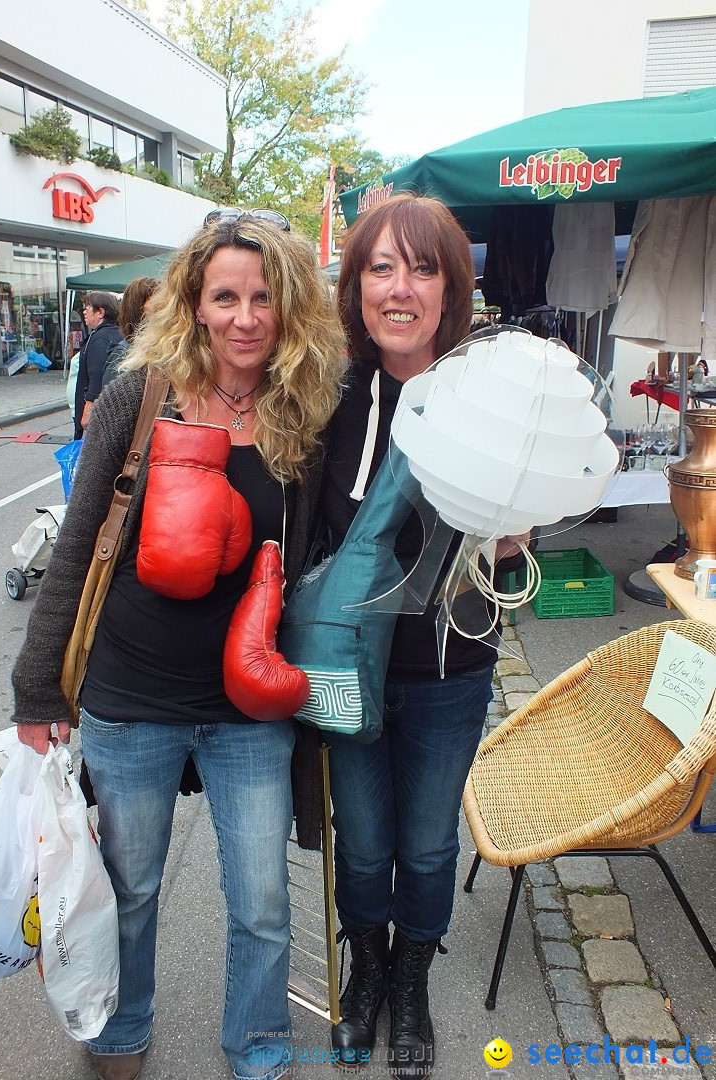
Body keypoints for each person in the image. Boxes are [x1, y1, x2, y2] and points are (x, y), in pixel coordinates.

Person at [11, 209, 347, 1080]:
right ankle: (121, 1034)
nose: (244, 316)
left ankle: (260, 1044)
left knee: (264, 901)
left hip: (247, 704)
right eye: (225, 295)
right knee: (130, 893)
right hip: (133, 695)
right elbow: (79, 543)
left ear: (289, 306)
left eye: (263, 297)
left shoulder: (302, 410)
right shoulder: (140, 396)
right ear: (195, 302)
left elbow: (324, 547)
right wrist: (37, 689)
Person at [323, 194, 525, 1078]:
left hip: (450, 669)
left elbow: (514, 583)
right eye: (381, 267)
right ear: (357, 285)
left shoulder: (491, 404)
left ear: (452, 286)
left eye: (423, 267)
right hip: (344, 664)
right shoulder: (327, 395)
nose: (400, 288)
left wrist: (515, 544)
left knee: (430, 843)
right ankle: (364, 970)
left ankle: (411, 978)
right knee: (362, 840)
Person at [73, 290, 123, 439]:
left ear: (100, 312)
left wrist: (87, 411)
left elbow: (96, 377)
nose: (84, 312)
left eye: (88, 308)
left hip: (97, 415)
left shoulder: (100, 339)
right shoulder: (115, 334)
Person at [102, 276, 158, 389]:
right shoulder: (123, 353)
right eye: (155, 303)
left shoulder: (161, 348)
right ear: (138, 307)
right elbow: (111, 401)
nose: (161, 309)